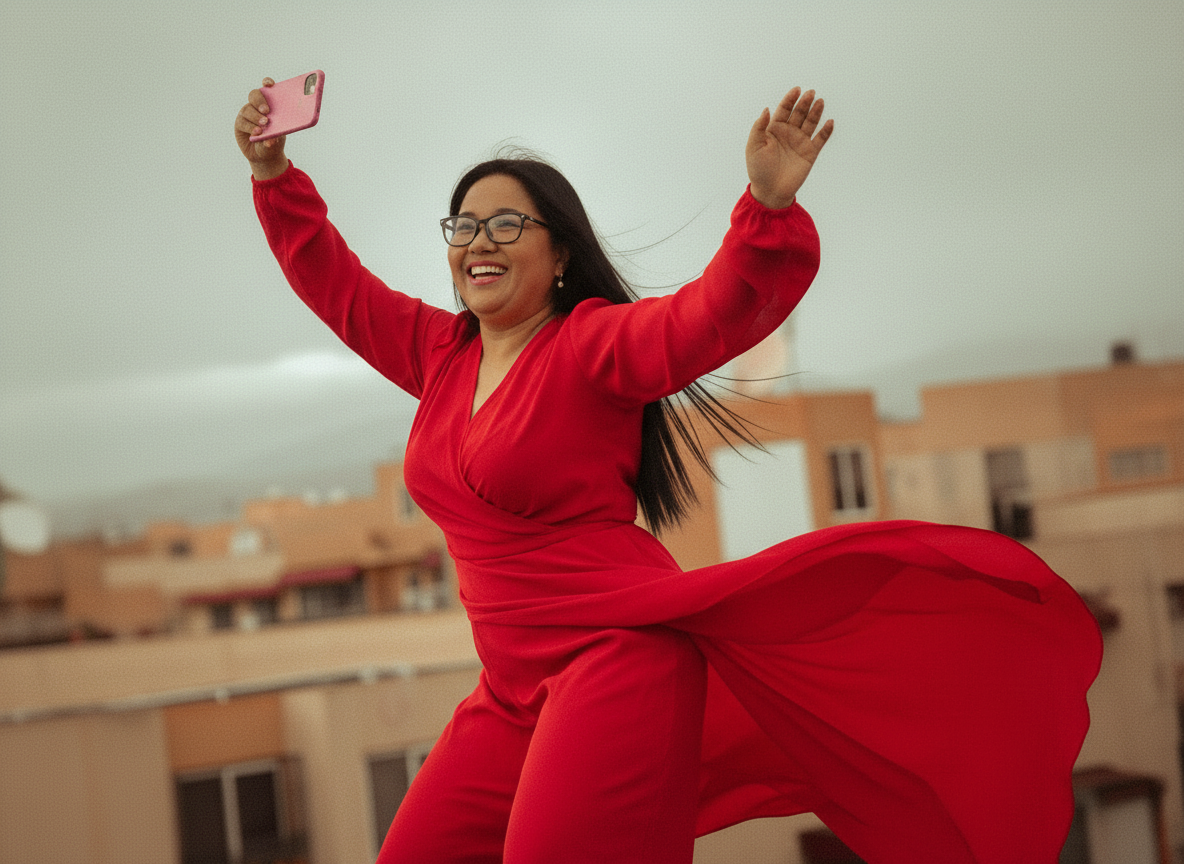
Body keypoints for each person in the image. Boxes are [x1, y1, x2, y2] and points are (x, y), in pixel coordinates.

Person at [236, 79, 1101, 864]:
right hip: (510, 692)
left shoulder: (592, 346)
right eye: (463, 226)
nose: (479, 243)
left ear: (561, 254)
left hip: (617, 661)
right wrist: (274, 174)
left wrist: (764, 208)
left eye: (507, 224)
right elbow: (334, 282)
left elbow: (708, 315)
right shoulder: (437, 353)